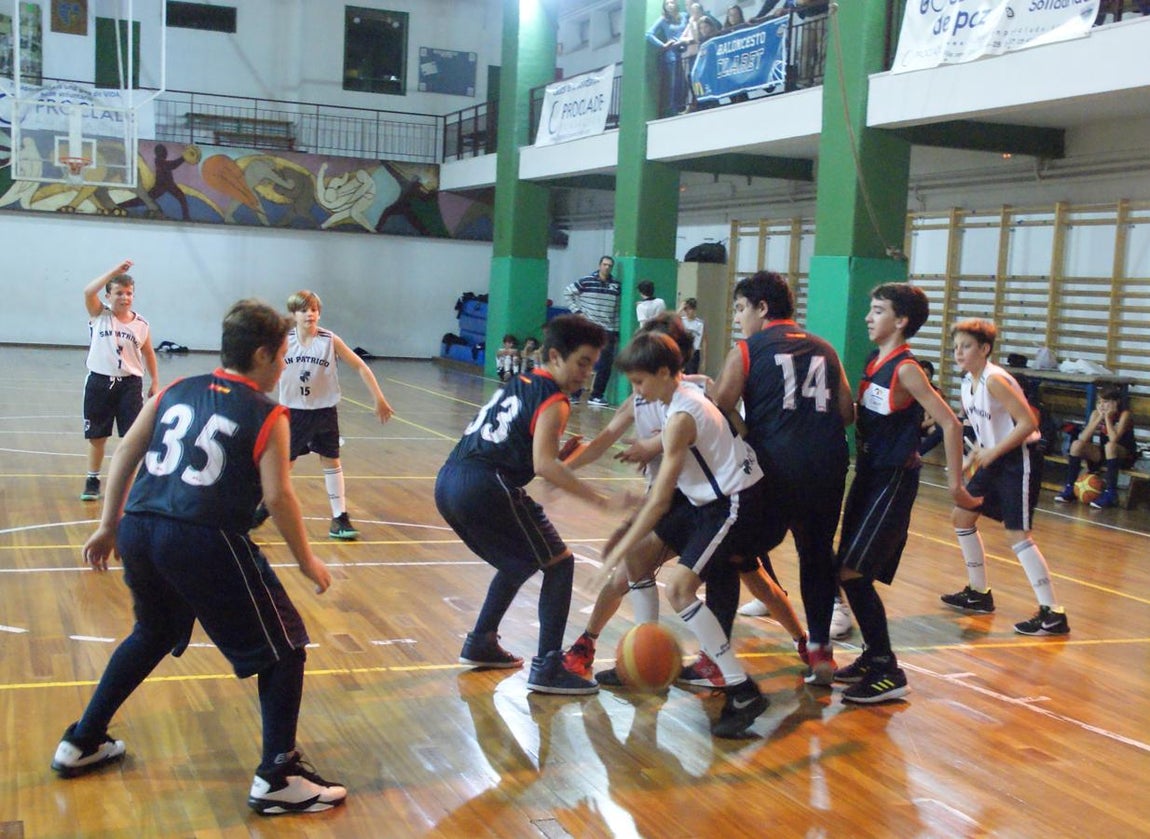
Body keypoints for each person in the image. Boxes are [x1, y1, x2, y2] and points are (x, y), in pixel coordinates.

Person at [52, 299, 346, 816]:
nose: (284, 365)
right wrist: (306, 561)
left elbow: (126, 451)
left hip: (140, 528)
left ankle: (83, 741)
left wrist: (107, 525)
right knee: (285, 647)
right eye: (280, 356)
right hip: (202, 536)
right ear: (261, 355)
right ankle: (278, 775)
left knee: (154, 632)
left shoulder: (175, 390)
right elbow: (279, 498)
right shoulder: (268, 413)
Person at [561, 314, 808, 690]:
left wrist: (653, 445)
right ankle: (616, 647)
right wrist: (555, 468)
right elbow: (604, 442)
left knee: (740, 574)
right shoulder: (642, 396)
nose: (639, 379)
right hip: (689, 494)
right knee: (636, 564)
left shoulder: (694, 393)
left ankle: (784, 651)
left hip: (724, 497)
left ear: (669, 363)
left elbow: (714, 430)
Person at [436, 315, 625, 695]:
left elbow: (536, 455)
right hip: (489, 484)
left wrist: (565, 457)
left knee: (519, 560)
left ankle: (481, 641)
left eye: (593, 365)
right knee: (561, 563)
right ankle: (549, 667)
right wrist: (600, 500)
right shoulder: (554, 400)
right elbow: (544, 466)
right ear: (555, 356)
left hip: (449, 481)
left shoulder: (519, 383)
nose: (587, 374)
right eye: (583, 362)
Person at [595, 331, 773, 736]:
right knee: (639, 557)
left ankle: (741, 689)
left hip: (735, 503)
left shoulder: (681, 417)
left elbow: (659, 501)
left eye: (640, 382)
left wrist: (617, 542)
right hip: (703, 502)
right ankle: (643, 653)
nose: (635, 391)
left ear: (663, 373)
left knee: (680, 589)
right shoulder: (680, 398)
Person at [833, 285, 980, 703]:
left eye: (877, 311)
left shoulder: (907, 368)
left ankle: (887, 669)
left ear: (900, 321)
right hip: (867, 473)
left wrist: (956, 486)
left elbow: (951, 424)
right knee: (845, 568)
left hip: (892, 480)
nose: (867, 317)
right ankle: (873, 656)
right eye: (869, 309)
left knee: (853, 573)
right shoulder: (872, 360)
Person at [712, 271, 854, 686]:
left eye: (740, 309)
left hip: (776, 467)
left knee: (730, 553)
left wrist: (749, 432)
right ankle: (820, 652)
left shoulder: (748, 350)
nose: (739, 318)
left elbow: (720, 403)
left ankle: (715, 656)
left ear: (762, 308)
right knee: (815, 555)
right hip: (828, 466)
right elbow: (846, 412)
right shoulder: (826, 349)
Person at [941, 319, 1071, 636]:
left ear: (985, 349)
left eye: (966, 346)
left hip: (1018, 459)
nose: (959, 352)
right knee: (962, 516)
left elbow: (1028, 423)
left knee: (1018, 535)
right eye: (956, 346)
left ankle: (1052, 613)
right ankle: (979, 593)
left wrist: (994, 451)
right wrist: (976, 454)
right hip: (995, 457)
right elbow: (987, 430)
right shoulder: (967, 383)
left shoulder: (995, 379)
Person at [257, 289, 394, 541]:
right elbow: (260, 365)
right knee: (285, 465)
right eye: (304, 310)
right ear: (293, 314)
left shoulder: (330, 340)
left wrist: (379, 398)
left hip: (324, 412)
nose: (310, 314)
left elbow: (360, 366)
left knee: (331, 461)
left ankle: (339, 518)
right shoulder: (283, 340)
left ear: (319, 313)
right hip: (293, 412)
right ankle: (264, 505)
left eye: (314, 309)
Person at [80, 259, 160, 501]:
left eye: (129, 293)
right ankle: (93, 479)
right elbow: (87, 290)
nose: (124, 298)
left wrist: (155, 381)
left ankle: (132, 481)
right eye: (119, 293)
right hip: (100, 382)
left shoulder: (141, 324)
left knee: (132, 436)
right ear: (108, 295)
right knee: (97, 435)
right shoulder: (99, 314)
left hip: (130, 384)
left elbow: (148, 353)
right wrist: (115, 271)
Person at [1053, 384, 1136, 510]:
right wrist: (1098, 419)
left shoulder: (1124, 415)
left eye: (1106, 402)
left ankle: (1111, 493)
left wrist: (1107, 418)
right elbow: (1083, 438)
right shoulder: (1096, 413)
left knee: (1110, 445)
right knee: (1076, 444)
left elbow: (1114, 439)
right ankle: (1070, 487)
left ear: (1116, 402)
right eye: (1099, 402)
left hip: (1124, 454)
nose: (1102, 405)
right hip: (1105, 452)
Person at [564, 256, 621, 408]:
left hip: (608, 329)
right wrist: (578, 312)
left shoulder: (616, 285)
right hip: (588, 328)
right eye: (604, 264)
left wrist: (615, 330)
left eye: (610, 265)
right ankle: (575, 394)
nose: (607, 267)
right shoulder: (586, 281)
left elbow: (616, 310)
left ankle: (596, 395)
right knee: (582, 360)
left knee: (605, 364)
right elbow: (568, 293)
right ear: (599, 265)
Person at [646, 0, 689, 117]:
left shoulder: (684, 16)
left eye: (672, 2)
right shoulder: (664, 20)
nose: (670, 5)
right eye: (667, 4)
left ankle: (686, 106)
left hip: (686, 49)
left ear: (676, 4)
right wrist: (663, 45)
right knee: (675, 82)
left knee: (687, 80)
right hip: (672, 53)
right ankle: (675, 110)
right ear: (664, 7)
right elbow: (649, 34)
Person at [678, 297, 705, 375]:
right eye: (686, 309)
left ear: (694, 309)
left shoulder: (700, 323)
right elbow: (671, 319)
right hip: (683, 352)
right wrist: (680, 309)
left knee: (692, 375)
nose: (687, 312)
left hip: (694, 353)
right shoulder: (681, 320)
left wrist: (704, 360)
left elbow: (704, 341)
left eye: (689, 309)